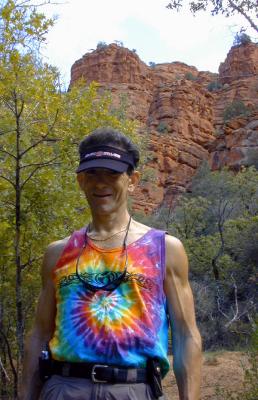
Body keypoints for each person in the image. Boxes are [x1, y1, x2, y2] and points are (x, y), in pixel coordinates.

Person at [20, 127, 202, 400]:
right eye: (92, 173)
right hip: (63, 388)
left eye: (113, 173)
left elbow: (187, 334)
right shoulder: (58, 253)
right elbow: (39, 334)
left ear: (133, 180)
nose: (100, 182)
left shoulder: (165, 249)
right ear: (80, 180)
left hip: (134, 389)